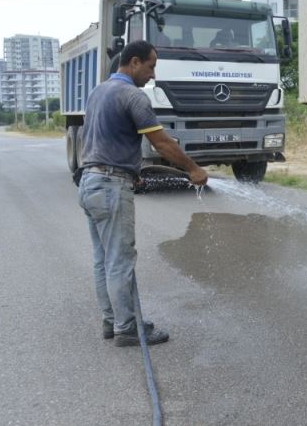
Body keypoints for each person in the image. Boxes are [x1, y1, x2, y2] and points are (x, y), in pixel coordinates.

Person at [77, 40, 208, 347]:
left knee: (102, 259)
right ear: (134, 62)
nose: (152, 75)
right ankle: (127, 328)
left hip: (89, 182)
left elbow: (96, 136)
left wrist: (130, 171)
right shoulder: (132, 96)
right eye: (151, 67)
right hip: (110, 186)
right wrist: (193, 169)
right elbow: (162, 143)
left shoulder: (99, 91)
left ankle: (112, 321)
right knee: (120, 261)